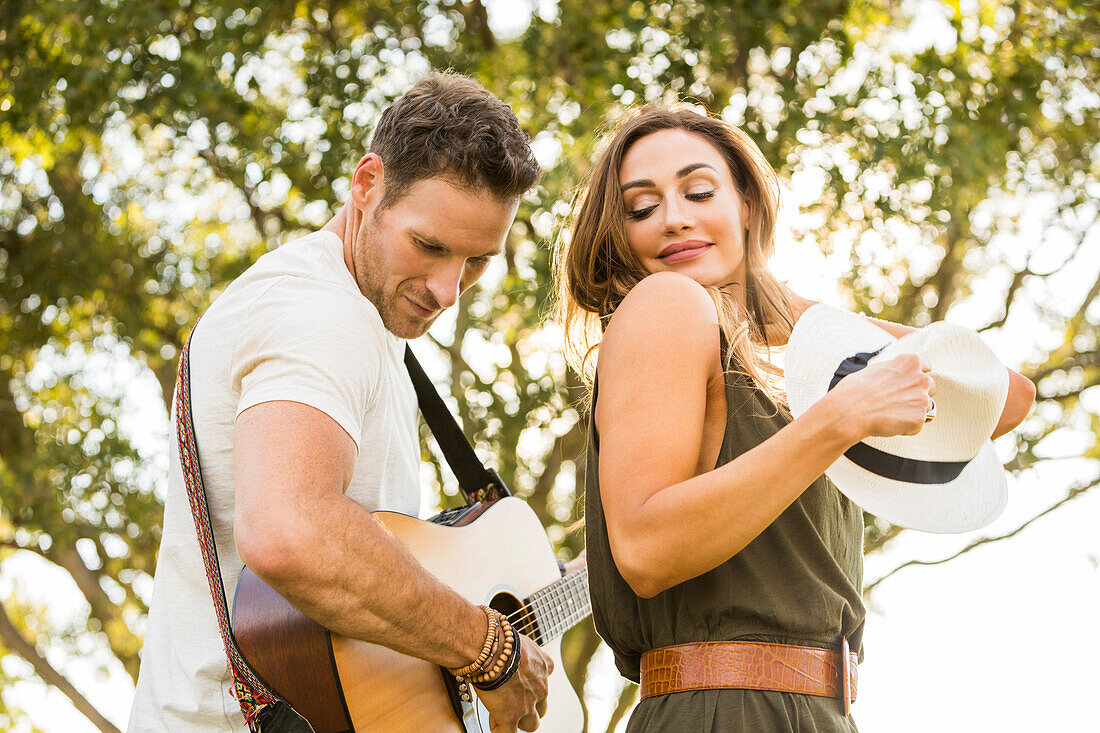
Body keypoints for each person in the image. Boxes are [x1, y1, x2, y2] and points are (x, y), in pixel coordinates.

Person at [554, 105, 1036, 731]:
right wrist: (840, 418)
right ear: (620, 235)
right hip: (724, 709)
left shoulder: (793, 362)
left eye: (699, 192)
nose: (674, 218)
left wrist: (794, 312)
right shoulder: (667, 304)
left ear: (748, 205)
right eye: (641, 208)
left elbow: (1003, 398)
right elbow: (646, 551)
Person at [129, 72, 554, 733]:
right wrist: (488, 649)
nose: (449, 289)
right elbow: (289, 529)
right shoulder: (320, 311)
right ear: (367, 185)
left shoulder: (368, 319)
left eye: (476, 261)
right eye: (431, 245)